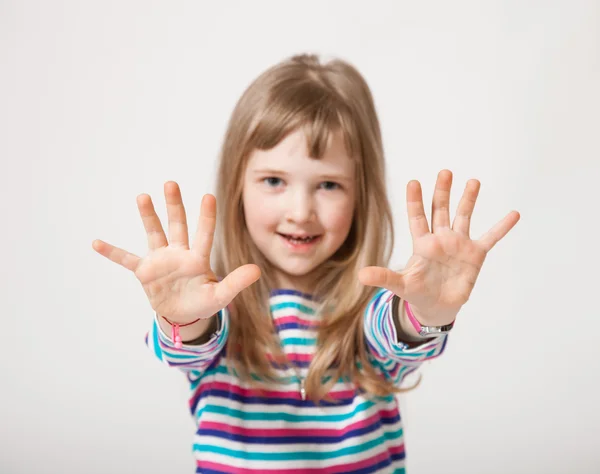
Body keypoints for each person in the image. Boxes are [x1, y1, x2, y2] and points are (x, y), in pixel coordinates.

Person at [92, 54, 520, 473]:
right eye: (274, 180)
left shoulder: (368, 310)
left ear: (360, 196)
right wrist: (183, 320)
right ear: (237, 185)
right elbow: (189, 348)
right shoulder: (216, 308)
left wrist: (429, 314)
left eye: (328, 185)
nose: (300, 210)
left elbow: (399, 332)